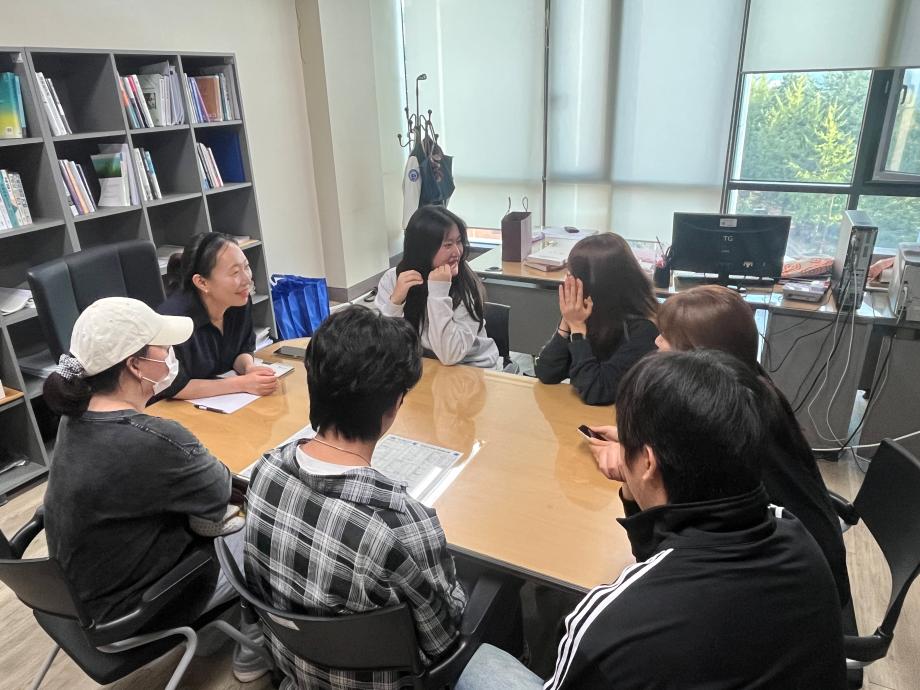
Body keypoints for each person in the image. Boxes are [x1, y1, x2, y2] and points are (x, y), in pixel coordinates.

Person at [455, 350, 847, 690]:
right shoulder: (797, 536)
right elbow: (670, 557)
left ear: (648, 462)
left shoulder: (608, 622)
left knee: (478, 665)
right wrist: (636, 487)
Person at [42, 297, 268, 682]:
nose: (170, 356)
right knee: (265, 529)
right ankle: (253, 651)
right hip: (135, 614)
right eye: (163, 349)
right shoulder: (154, 439)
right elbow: (219, 495)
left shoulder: (74, 419)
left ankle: (216, 630)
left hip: (79, 600)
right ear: (135, 365)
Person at [244, 305, 468, 688]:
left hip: (293, 666)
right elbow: (442, 640)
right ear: (395, 404)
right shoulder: (399, 523)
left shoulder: (265, 470)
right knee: (496, 590)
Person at [593, 284, 851, 606]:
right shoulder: (753, 394)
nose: (656, 342)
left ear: (699, 359)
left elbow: (659, 555)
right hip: (808, 570)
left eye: (666, 337)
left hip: (781, 596)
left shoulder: (718, 446)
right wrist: (639, 440)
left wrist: (632, 473)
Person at [534, 233, 658, 405]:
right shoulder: (589, 311)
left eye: (572, 275)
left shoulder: (644, 330)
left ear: (596, 284)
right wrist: (567, 322)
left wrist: (577, 330)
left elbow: (597, 391)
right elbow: (547, 373)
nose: (567, 281)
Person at [157, 232, 277, 399]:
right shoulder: (172, 321)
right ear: (202, 282)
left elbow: (241, 350)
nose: (247, 280)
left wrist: (248, 368)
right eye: (235, 272)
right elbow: (174, 387)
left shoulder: (238, 300)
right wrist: (241, 384)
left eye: (246, 267)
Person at [375, 205, 499, 368]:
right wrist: (395, 302)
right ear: (423, 249)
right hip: (420, 366)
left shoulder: (465, 284)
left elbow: (450, 355)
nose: (457, 252)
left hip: (471, 367)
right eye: (448, 245)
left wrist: (439, 292)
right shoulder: (394, 279)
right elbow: (384, 347)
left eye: (459, 242)